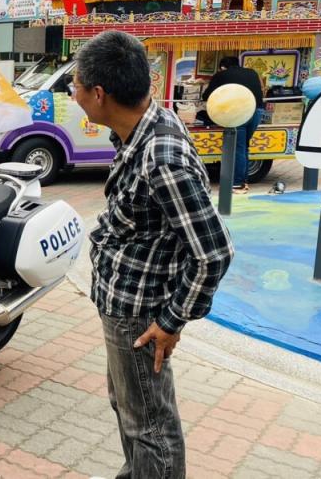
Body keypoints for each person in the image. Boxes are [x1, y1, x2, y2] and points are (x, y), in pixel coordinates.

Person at [71, 30, 234, 478]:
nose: (73, 92)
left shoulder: (161, 156)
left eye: (77, 84)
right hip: (124, 305)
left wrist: (171, 321)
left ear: (99, 94)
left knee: (150, 426)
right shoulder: (138, 130)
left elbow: (214, 251)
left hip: (142, 318)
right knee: (130, 410)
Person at [202, 56, 265, 194]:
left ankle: (237, 184)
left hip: (239, 113)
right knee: (243, 147)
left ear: (223, 67)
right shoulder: (252, 73)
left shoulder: (221, 75)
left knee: (238, 148)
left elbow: (206, 96)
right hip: (257, 111)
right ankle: (243, 181)